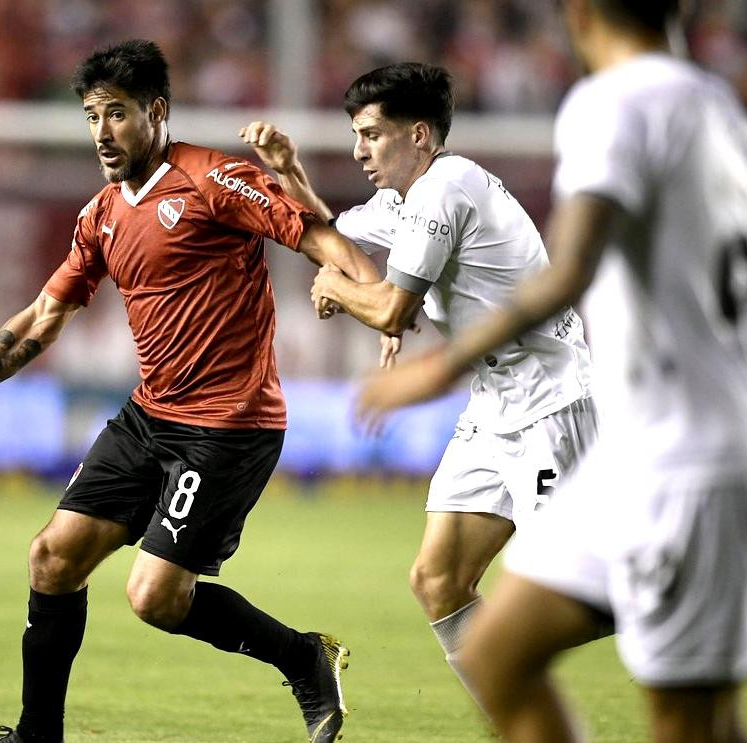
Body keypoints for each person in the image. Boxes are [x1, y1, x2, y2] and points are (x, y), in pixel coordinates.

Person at [0, 39, 379, 743]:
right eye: (90, 116)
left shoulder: (213, 180)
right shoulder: (102, 215)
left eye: (116, 114)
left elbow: (317, 235)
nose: (102, 132)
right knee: (53, 555)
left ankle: (302, 656)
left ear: (156, 111)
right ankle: (36, 734)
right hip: (151, 415)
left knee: (157, 596)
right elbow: (41, 320)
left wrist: (376, 295)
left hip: (229, 425)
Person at [355, 2, 747, 741]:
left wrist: (438, 368)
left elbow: (569, 267)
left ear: (578, 13)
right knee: (495, 646)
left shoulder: (614, 101)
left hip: (685, 458)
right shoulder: (727, 115)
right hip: (664, 442)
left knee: (691, 722)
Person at [241, 61, 599, 713]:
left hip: (554, 403)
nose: (359, 151)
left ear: (421, 136)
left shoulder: (448, 186)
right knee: (438, 579)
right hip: (492, 411)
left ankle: (716, 582)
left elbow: (389, 308)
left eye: (372, 134)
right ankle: (516, 720)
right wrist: (289, 173)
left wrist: (341, 293)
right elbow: (334, 240)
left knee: (577, 592)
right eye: (357, 135)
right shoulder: (403, 201)